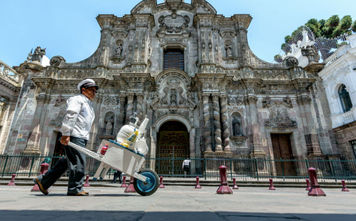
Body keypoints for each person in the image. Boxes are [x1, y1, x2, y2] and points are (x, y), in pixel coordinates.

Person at [34, 79, 98, 196]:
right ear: (83, 89)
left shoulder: (88, 104)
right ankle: (75, 188)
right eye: (92, 90)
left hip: (81, 136)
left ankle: (44, 180)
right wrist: (66, 133)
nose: (94, 92)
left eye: (95, 90)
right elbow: (70, 115)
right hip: (75, 135)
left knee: (67, 161)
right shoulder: (77, 99)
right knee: (79, 162)